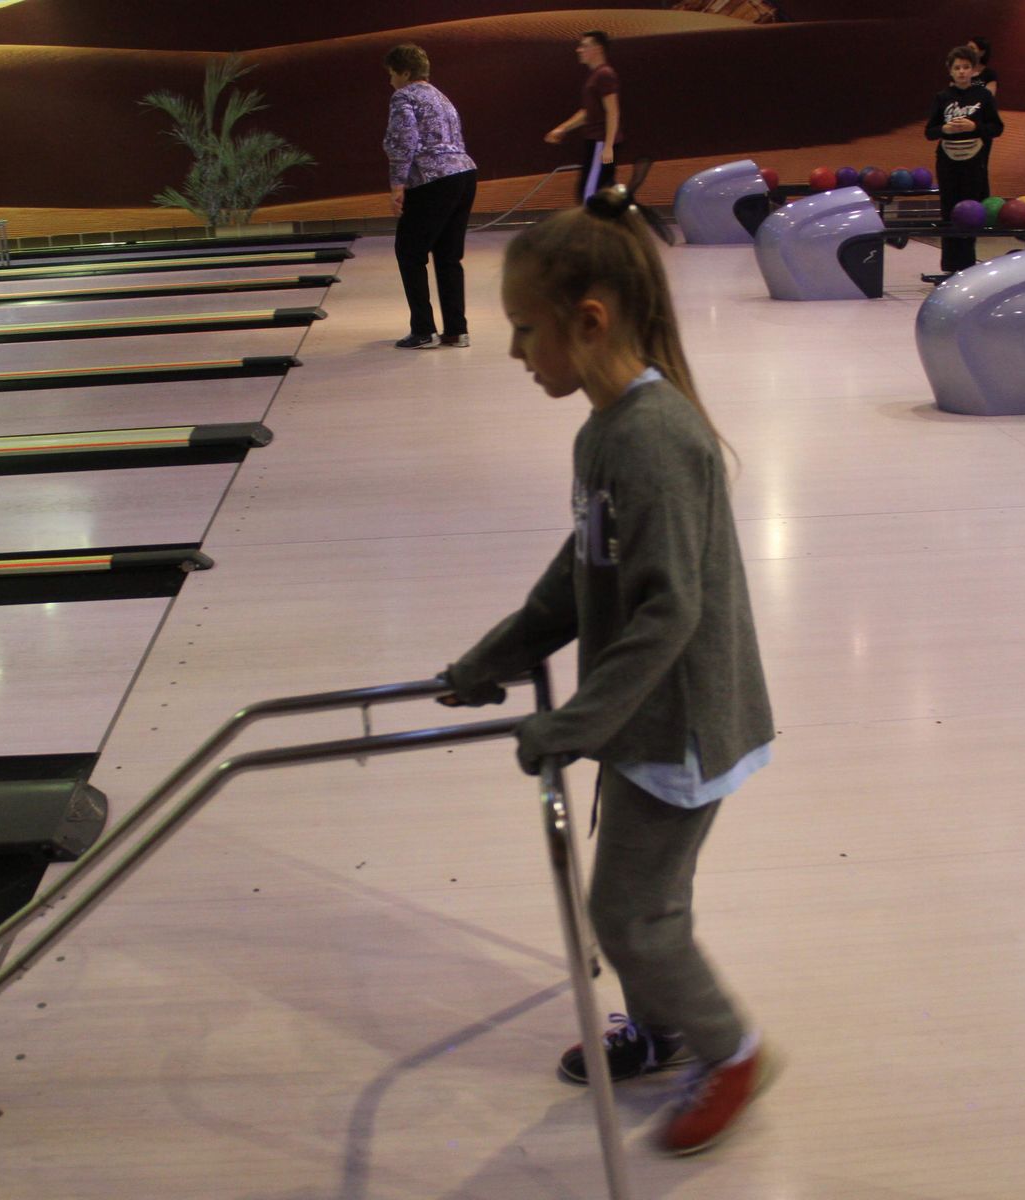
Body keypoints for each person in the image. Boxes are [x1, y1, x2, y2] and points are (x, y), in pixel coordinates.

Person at [437, 186, 775, 1157]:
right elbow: (577, 575)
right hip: (643, 716)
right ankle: (665, 1030)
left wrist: (575, 722)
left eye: (523, 329)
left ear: (588, 321)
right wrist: (495, 657)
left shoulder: (654, 440)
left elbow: (672, 610)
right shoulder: (604, 430)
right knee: (645, 902)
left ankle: (732, 1051)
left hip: (682, 723)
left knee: (628, 913)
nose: (514, 351)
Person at [383, 42, 478, 348]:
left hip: (432, 179)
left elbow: (403, 141)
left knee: (409, 252)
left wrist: (397, 186)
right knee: (448, 256)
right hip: (464, 174)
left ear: (404, 72)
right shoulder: (440, 96)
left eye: (392, 74)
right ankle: (456, 330)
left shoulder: (404, 96)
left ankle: (423, 330)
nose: (391, 81)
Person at [927, 44, 1004, 275]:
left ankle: (968, 265)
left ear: (973, 70)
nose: (961, 71)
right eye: (957, 67)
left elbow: (997, 128)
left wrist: (974, 126)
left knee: (971, 210)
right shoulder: (942, 97)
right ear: (950, 70)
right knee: (949, 210)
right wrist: (945, 129)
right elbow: (929, 132)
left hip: (974, 161)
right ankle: (949, 266)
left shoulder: (983, 96)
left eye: (966, 67)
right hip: (948, 161)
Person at [545, 30, 621, 203]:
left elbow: (612, 112)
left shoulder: (604, 74)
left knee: (589, 194)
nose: (579, 50)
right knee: (600, 191)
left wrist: (608, 146)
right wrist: (563, 129)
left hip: (600, 142)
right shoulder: (596, 76)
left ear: (598, 49)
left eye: (584, 46)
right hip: (597, 142)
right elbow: (589, 112)